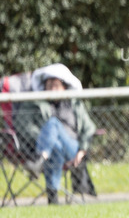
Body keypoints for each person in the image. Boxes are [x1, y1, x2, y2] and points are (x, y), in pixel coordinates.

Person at [18, 64, 97, 205]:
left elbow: (89, 128)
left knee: (53, 123)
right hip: (50, 147)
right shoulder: (35, 103)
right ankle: (53, 201)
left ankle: (40, 160)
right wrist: (45, 136)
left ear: (64, 87)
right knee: (54, 144)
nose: (52, 89)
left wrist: (82, 150)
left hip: (73, 148)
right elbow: (23, 125)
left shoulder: (75, 104)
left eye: (56, 85)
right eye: (49, 85)